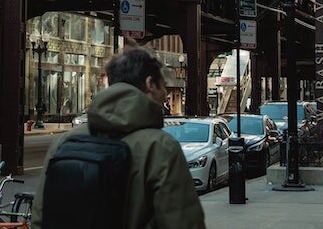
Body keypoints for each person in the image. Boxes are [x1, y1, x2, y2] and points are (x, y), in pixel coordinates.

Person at [32, 45, 205, 229]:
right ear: (150, 84)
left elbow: (40, 216)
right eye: (163, 86)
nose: (165, 95)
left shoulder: (64, 141)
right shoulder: (160, 147)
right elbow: (184, 223)